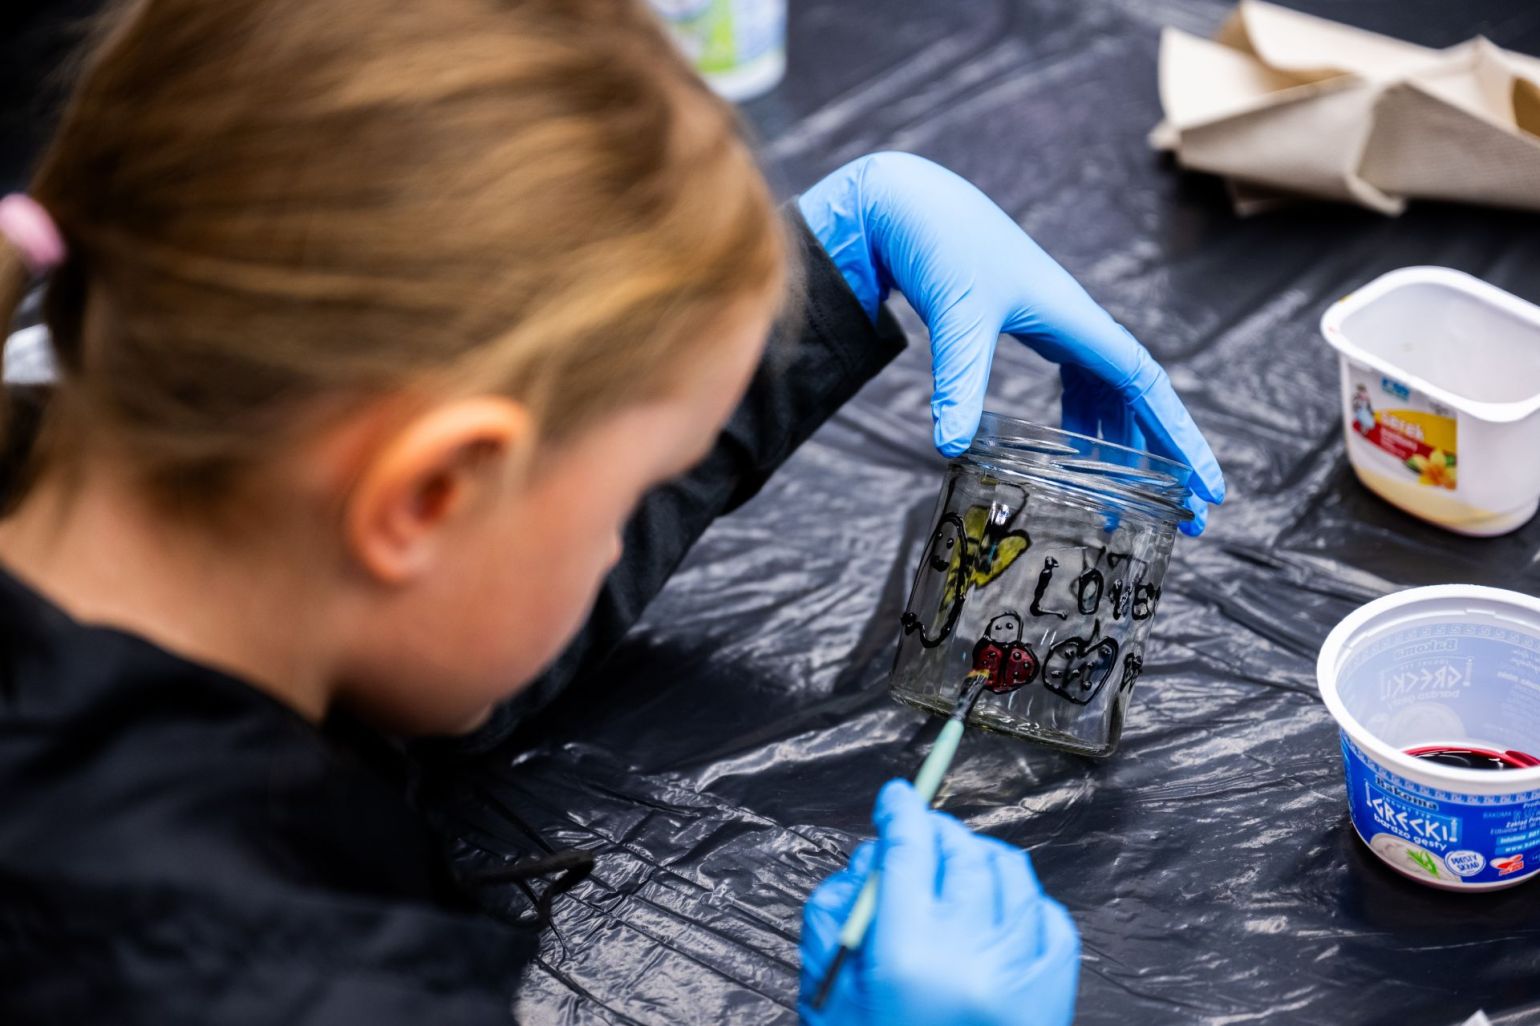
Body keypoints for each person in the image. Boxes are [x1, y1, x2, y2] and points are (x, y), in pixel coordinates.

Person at [0, 0, 1224, 1023]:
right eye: (627, 492)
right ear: (425, 498)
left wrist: (833, 270)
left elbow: (445, 604)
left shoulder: (96, 436)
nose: (620, 537)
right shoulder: (270, 979)